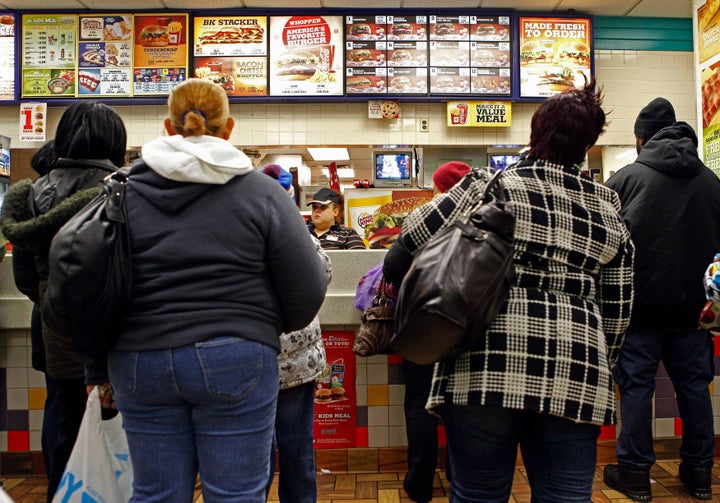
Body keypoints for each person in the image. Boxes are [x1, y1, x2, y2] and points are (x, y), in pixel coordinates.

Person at [383, 77, 635, 502]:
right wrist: (597, 362)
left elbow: (411, 236)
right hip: (576, 371)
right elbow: (619, 308)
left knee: (479, 493)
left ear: (535, 134)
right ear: (589, 143)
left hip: (484, 367)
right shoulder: (608, 207)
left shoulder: (488, 185)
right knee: (566, 496)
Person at [107, 78, 327, 502]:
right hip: (237, 357)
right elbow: (307, 287)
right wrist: (259, 327)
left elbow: (89, 279)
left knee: (155, 493)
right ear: (229, 129)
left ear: (168, 129)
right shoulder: (262, 193)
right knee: (235, 493)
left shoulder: (123, 190)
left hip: (138, 360)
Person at [0, 105, 127, 502]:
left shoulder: (33, 193)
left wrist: (54, 302)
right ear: (115, 140)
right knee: (118, 421)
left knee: (61, 414)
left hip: (54, 327)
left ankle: (63, 491)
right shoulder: (122, 187)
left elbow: (24, 275)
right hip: (115, 330)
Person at [603, 97, 720, 502]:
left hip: (639, 311)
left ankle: (634, 476)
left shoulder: (625, 180)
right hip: (694, 313)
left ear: (641, 139)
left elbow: (604, 245)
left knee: (637, 388)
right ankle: (700, 474)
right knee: (694, 388)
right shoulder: (711, 181)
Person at [402, 160, 470, 503]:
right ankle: (461, 479)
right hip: (468, 328)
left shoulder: (424, 218)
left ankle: (419, 484)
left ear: (438, 189)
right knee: (462, 404)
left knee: (419, 405)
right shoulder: (489, 218)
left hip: (425, 326)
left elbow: (392, 265)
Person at [263, 164, 331, 503]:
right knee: (297, 450)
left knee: (253, 455)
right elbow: (322, 275)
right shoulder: (297, 233)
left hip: (251, 356)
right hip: (296, 361)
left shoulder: (235, 227)